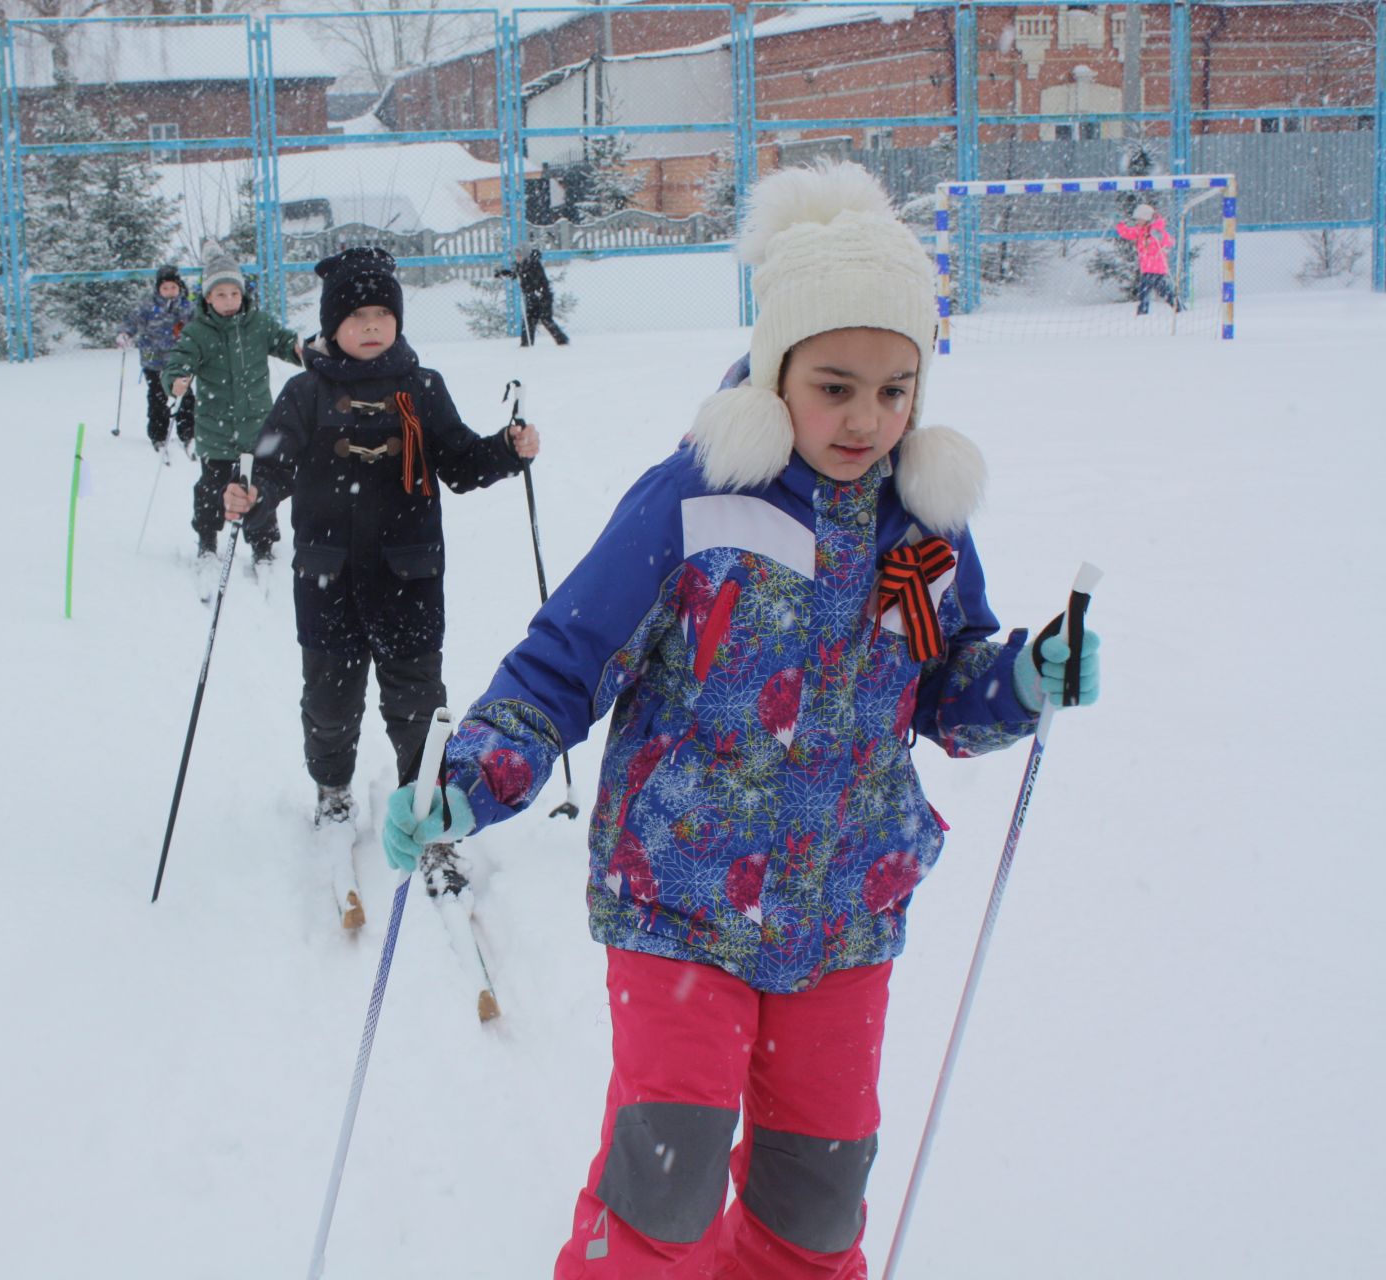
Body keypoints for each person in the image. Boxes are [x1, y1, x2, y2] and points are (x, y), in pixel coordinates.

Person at [382, 162, 1105, 1280]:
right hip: (682, 896)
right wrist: (473, 775)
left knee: (815, 1204)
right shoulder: (698, 500)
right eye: (835, 385)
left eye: (895, 388)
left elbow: (941, 684)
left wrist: (1020, 678)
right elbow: (566, 663)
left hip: (845, 910)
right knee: (666, 1181)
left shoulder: (917, 530)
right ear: (777, 374)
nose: (867, 418)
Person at [221, 246, 540, 867]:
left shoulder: (422, 388)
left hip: (408, 577)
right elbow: (272, 465)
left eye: (381, 315)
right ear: (332, 325)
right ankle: (332, 786)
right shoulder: (305, 391)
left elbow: (460, 462)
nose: (371, 326)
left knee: (418, 705)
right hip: (326, 577)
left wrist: (507, 448)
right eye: (357, 315)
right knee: (329, 703)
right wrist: (250, 495)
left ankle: (423, 806)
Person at [160, 240, 303, 576]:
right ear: (208, 298)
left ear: (243, 294)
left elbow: (285, 343)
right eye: (220, 295)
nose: (228, 301)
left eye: (234, 294)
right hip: (215, 431)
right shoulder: (198, 332)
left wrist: (302, 351)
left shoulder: (258, 324)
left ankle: (263, 545)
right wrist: (177, 379)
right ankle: (207, 541)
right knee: (212, 490)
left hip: (258, 430)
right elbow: (178, 362)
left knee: (258, 492)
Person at [115, 264, 196, 452]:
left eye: (173, 287)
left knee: (184, 396)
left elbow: (198, 326)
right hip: (152, 355)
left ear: (180, 287)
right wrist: (125, 334)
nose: (169, 292)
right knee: (157, 396)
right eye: (165, 288)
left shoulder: (186, 307)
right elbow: (131, 322)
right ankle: (158, 435)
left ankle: (188, 433)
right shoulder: (148, 306)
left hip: (178, 359)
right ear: (158, 288)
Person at [495, 243, 570, 346]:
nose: (517, 258)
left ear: (525, 255)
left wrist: (530, 288)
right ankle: (526, 344)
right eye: (516, 255)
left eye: (519, 255)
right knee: (529, 320)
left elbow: (534, 280)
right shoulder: (520, 265)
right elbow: (515, 274)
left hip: (543, 296)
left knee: (545, 319)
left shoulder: (534, 264)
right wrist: (503, 273)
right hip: (531, 298)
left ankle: (562, 340)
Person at [1117, 201, 1181, 315]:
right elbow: (1128, 233)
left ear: (1146, 219)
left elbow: (1169, 242)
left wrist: (1160, 237)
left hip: (1156, 268)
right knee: (1160, 291)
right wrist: (1120, 225)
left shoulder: (1156, 230)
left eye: (1139, 219)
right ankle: (1177, 307)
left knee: (1148, 292)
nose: (1137, 222)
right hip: (1147, 268)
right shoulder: (1140, 230)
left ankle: (1144, 312)